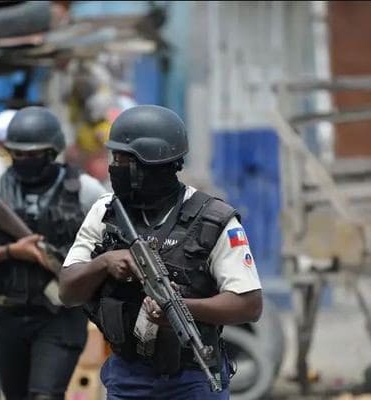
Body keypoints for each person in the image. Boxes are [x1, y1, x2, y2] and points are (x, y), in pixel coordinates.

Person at [59, 105, 263, 399]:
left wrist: (180, 309)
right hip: (127, 376)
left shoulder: (213, 220)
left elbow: (249, 305)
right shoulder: (104, 212)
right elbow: (67, 291)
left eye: (122, 160)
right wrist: (104, 262)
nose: (113, 167)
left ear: (150, 167)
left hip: (193, 376)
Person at [0, 106, 107, 400]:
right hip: (9, 314)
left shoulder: (85, 190)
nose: (24, 161)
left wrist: (81, 268)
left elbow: (112, 244)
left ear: (52, 152)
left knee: (44, 395)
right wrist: (12, 251)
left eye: (33, 154)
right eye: (18, 154)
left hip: (60, 316)